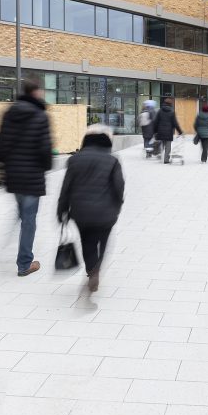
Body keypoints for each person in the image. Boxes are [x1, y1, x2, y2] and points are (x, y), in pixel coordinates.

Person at [0, 78, 52, 277]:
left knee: (22, 213)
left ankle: (6, 246)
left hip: (14, 176)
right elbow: (45, 148)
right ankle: (24, 264)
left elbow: (0, 143)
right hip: (32, 177)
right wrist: (46, 166)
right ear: (36, 92)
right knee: (29, 220)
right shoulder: (40, 116)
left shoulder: (10, 113)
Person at [57, 125, 124, 293]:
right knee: (104, 241)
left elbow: (66, 188)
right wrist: (118, 205)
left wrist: (62, 210)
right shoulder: (112, 161)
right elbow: (119, 187)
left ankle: (91, 270)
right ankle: (97, 269)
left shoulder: (74, 160)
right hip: (106, 213)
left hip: (81, 212)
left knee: (87, 242)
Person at [153, 97, 183, 163]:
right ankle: (166, 160)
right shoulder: (172, 112)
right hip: (169, 132)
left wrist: (155, 131)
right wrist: (180, 131)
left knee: (162, 145)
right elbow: (175, 123)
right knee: (168, 146)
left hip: (160, 131)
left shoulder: (160, 111)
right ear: (170, 104)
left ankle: (161, 157)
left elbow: (156, 122)